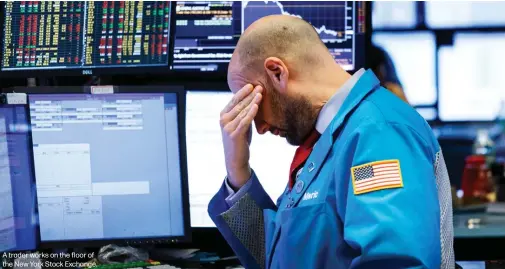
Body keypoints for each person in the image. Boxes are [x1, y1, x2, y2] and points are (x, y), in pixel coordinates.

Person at [208, 15, 454, 269]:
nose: (258, 128)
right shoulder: (329, 138)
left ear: (277, 72)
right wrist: (238, 172)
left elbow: (397, 264)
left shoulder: (378, 132)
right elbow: (276, 257)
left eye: (254, 102)